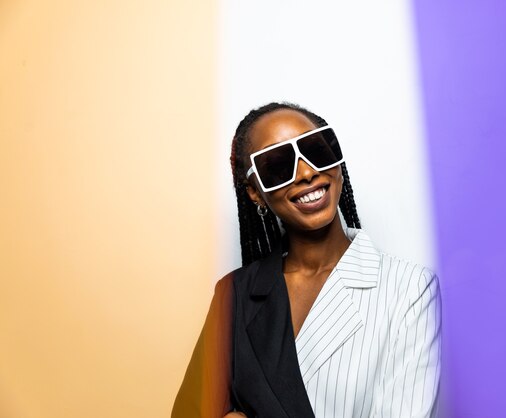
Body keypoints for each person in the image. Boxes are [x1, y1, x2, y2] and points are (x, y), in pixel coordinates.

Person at [172, 102, 441, 418]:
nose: (307, 172)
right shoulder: (235, 294)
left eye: (316, 150)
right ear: (255, 192)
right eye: (277, 165)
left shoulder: (411, 289)